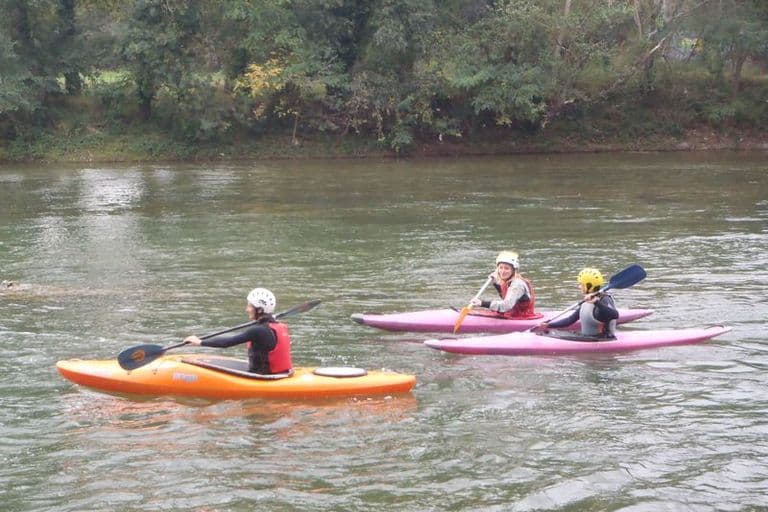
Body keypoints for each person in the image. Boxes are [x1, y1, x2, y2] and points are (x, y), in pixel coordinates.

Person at [184, 288, 292, 374]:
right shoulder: (277, 325)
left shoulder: (258, 330)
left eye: (249, 306)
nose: (247, 309)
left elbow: (227, 342)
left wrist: (200, 342)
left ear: (259, 310)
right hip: (281, 373)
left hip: (263, 377)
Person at [535, 268, 619, 339]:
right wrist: (549, 325)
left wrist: (596, 303)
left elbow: (615, 315)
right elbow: (570, 320)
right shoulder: (587, 300)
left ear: (589, 286)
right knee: (549, 333)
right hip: (588, 338)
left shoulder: (604, 300)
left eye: (581, 284)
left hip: (602, 339)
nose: (579, 287)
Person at [470, 250, 539, 319]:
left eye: (506, 268)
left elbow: (506, 306)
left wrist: (482, 303)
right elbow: (505, 297)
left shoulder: (517, 284)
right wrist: (495, 283)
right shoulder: (509, 281)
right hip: (512, 313)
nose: (502, 271)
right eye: (501, 268)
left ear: (513, 270)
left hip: (522, 317)